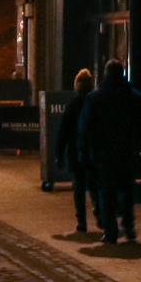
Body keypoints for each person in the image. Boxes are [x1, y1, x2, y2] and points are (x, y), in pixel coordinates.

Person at [78, 59, 141, 244]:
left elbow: (85, 128)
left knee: (107, 193)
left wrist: (84, 154)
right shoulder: (134, 97)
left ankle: (110, 230)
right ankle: (128, 225)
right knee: (128, 190)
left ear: (106, 74)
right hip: (128, 151)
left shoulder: (95, 97)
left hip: (103, 154)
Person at [53, 69, 98, 232]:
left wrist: (59, 153)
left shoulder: (73, 103)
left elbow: (63, 130)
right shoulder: (95, 102)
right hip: (93, 150)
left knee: (79, 187)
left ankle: (82, 221)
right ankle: (99, 211)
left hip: (76, 150)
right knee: (94, 184)